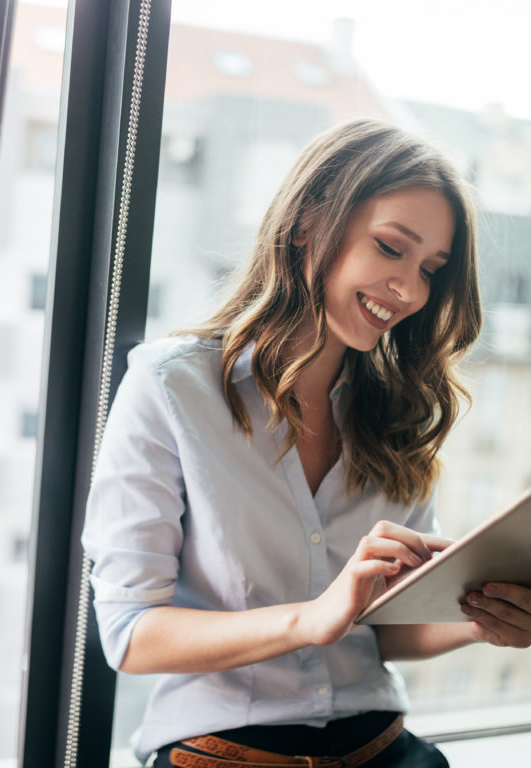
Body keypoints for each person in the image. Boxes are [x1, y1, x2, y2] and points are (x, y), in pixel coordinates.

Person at [82, 119, 531, 768]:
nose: (409, 290)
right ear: (309, 224)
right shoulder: (170, 388)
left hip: (385, 748)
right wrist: (314, 616)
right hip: (224, 752)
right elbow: (130, 634)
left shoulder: (397, 414)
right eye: (389, 247)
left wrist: (486, 620)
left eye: (431, 269)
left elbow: (389, 627)